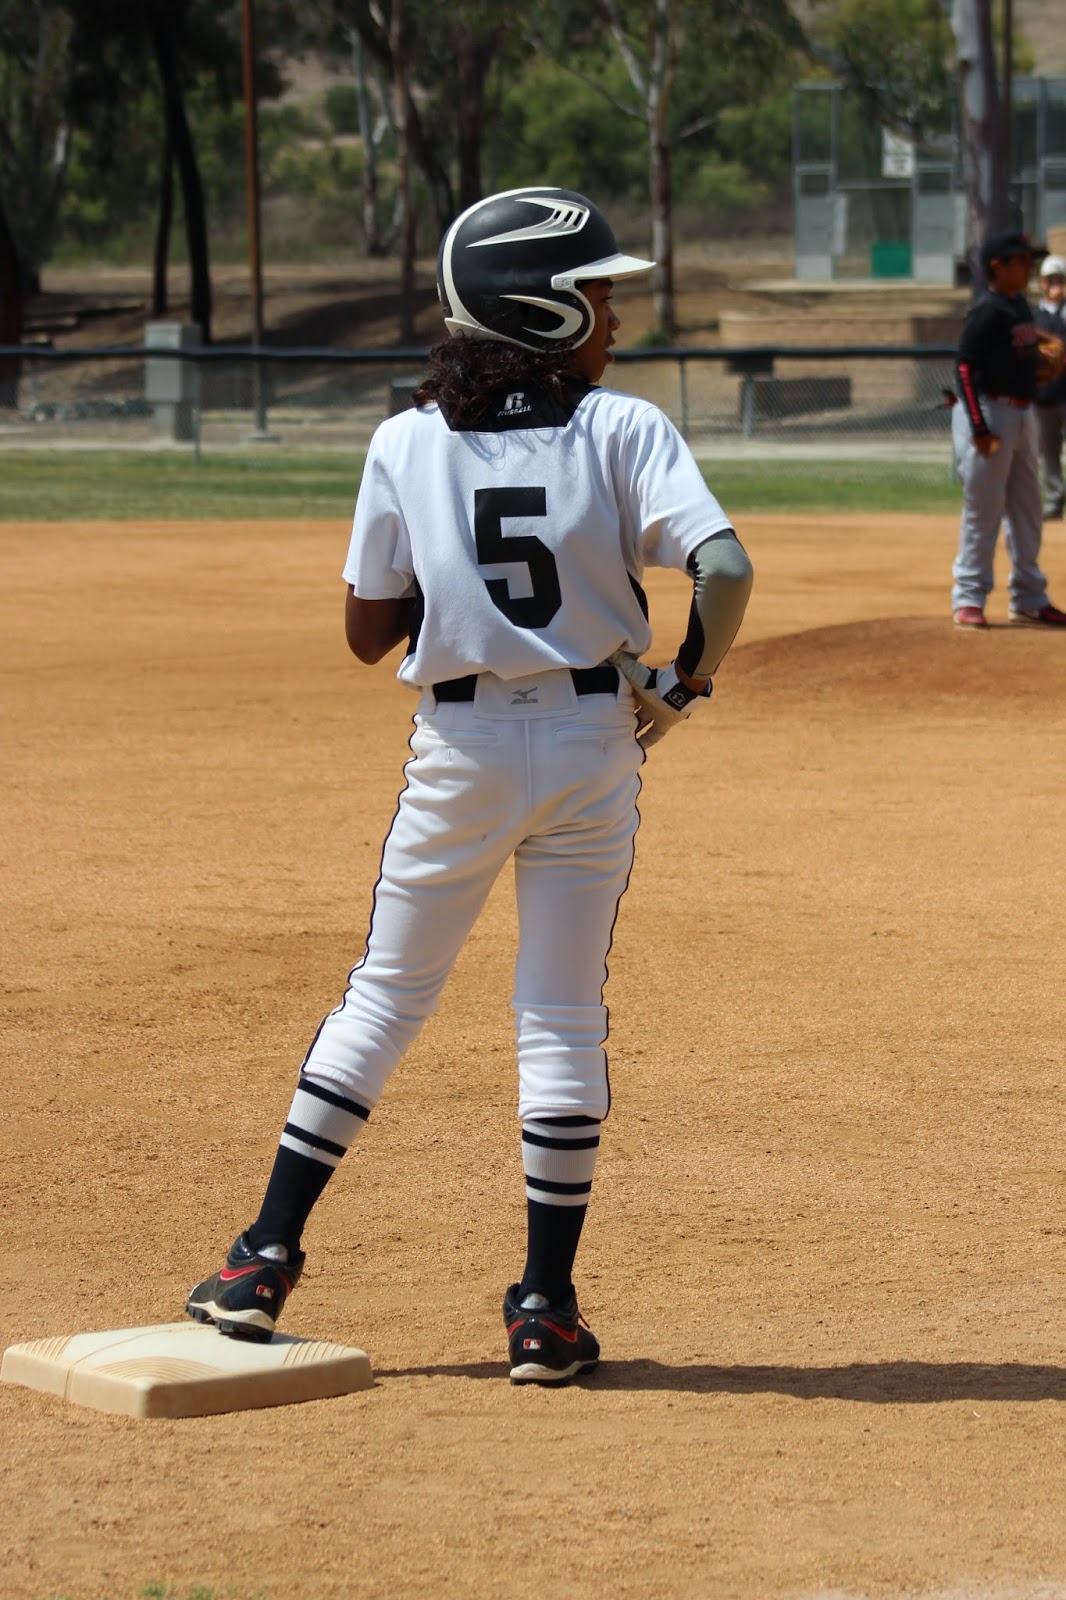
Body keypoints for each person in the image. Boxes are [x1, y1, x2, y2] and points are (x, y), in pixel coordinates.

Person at [185, 187, 754, 1385]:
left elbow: (364, 633)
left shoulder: (405, 439)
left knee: (387, 994)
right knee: (558, 1014)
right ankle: (544, 1309)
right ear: (534, 305)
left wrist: (447, 574)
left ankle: (261, 1259)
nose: (610, 316)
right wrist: (685, 683)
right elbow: (724, 566)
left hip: (462, 747)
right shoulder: (623, 428)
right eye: (594, 294)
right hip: (598, 743)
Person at [951, 228, 1066, 629]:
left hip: (1022, 414)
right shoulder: (987, 310)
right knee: (984, 512)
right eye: (1021, 261)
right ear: (996, 268)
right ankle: (968, 597)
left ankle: (1030, 597)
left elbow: (1025, 343)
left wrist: (1045, 343)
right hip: (990, 412)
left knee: (1027, 510)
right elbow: (964, 366)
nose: (1029, 267)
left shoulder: (1017, 305)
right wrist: (980, 429)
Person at [1034, 252, 1066, 520]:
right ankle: (1055, 501)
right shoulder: (1034, 315)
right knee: (1049, 451)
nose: (1055, 283)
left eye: (1060, 278)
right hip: (1045, 395)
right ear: (1041, 282)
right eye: (1050, 279)